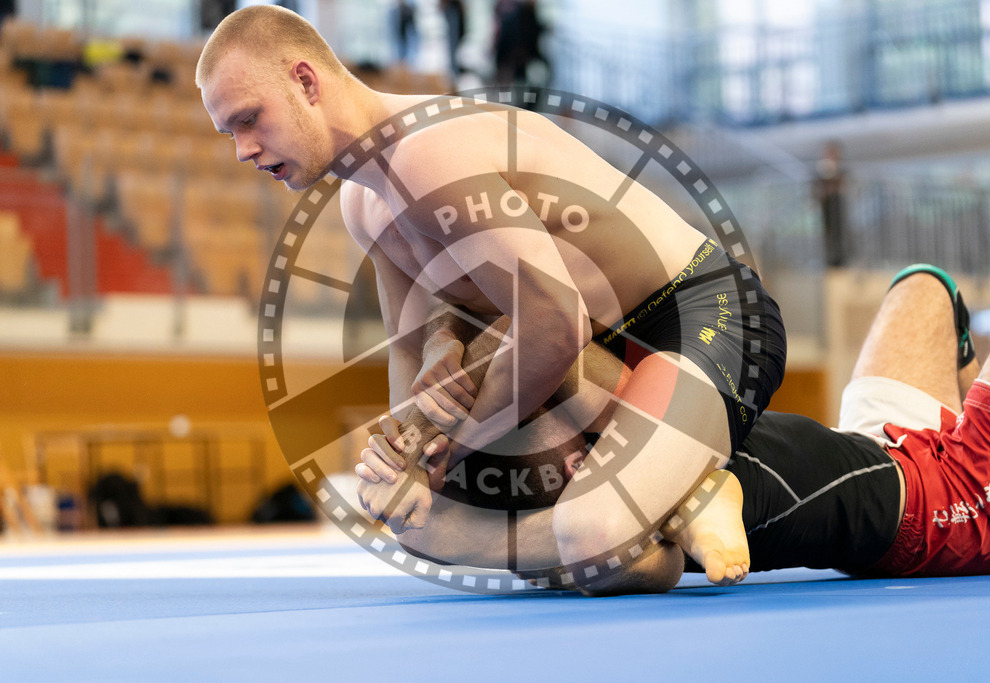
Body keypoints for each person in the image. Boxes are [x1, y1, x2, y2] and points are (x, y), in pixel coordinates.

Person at [196, 5, 787, 595]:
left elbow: (556, 325)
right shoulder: (363, 204)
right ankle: (672, 508)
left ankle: (660, 509)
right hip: (597, 357)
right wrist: (406, 456)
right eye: (230, 133)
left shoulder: (427, 153)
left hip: (704, 312)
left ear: (305, 82)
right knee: (427, 503)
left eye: (250, 120)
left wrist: (449, 449)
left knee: (579, 532)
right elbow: (412, 361)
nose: (244, 150)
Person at [357, 264, 990, 592]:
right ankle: (713, 495)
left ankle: (963, 406)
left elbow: (509, 330)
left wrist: (421, 417)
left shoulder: (613, 422)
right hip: (950, 501)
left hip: (884, 443)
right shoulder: (603, 523)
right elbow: (646, 564)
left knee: (925, 283)